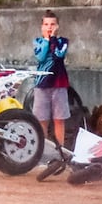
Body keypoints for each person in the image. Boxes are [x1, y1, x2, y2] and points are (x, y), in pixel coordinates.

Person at [33, 10, 71, 150]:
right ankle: (42, 150)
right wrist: (47, 41)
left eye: (52, 24)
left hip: (59, 83)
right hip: (42, 83)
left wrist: (54, 39)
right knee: (41, 119)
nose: (49, 27)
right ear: (42, 27)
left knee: (59, 119)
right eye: (46, 24)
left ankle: (60, 150)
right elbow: (41, 57)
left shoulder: (63, 41)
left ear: (57, 26)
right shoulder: (38, 42)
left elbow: (59, 55)